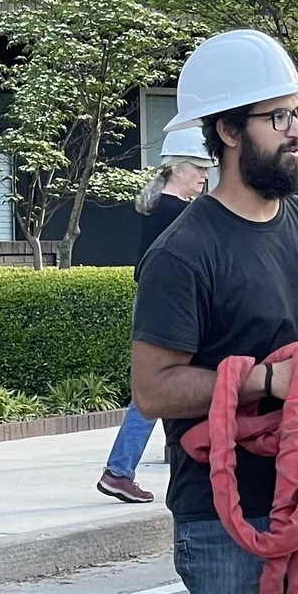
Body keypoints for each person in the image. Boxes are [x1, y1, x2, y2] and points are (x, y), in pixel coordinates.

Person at [129, 28, 298, 594]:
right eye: (277, 117)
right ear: (228, 130)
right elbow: (153, 389)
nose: (297, 130)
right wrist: (274, 380)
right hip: (225, 516)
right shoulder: (184, 252)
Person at [97, 128, 215, 504]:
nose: (204, 175)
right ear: (177, 169)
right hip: (170, 310)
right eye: (198, 167)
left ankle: (126, 469)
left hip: (154, 307)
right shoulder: (179, 213)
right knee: (160, 390)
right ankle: (119, 470)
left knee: (161, 389)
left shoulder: (161, 209)